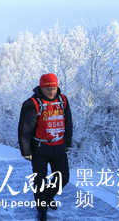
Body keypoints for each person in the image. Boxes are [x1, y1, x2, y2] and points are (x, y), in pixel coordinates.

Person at [18, 73, 73, 221]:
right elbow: (24, 129)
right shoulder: (32, 103)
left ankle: (48, 197)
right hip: (39, 149)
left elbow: (68, 122)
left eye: (54, 88)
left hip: (59, 147)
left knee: (64, 178)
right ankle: (42, 211)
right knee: (40, 181)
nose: (51, 91)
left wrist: (68, 142)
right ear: (41, 87)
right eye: (48, 89)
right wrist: (26, 151)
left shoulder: (63, 100)